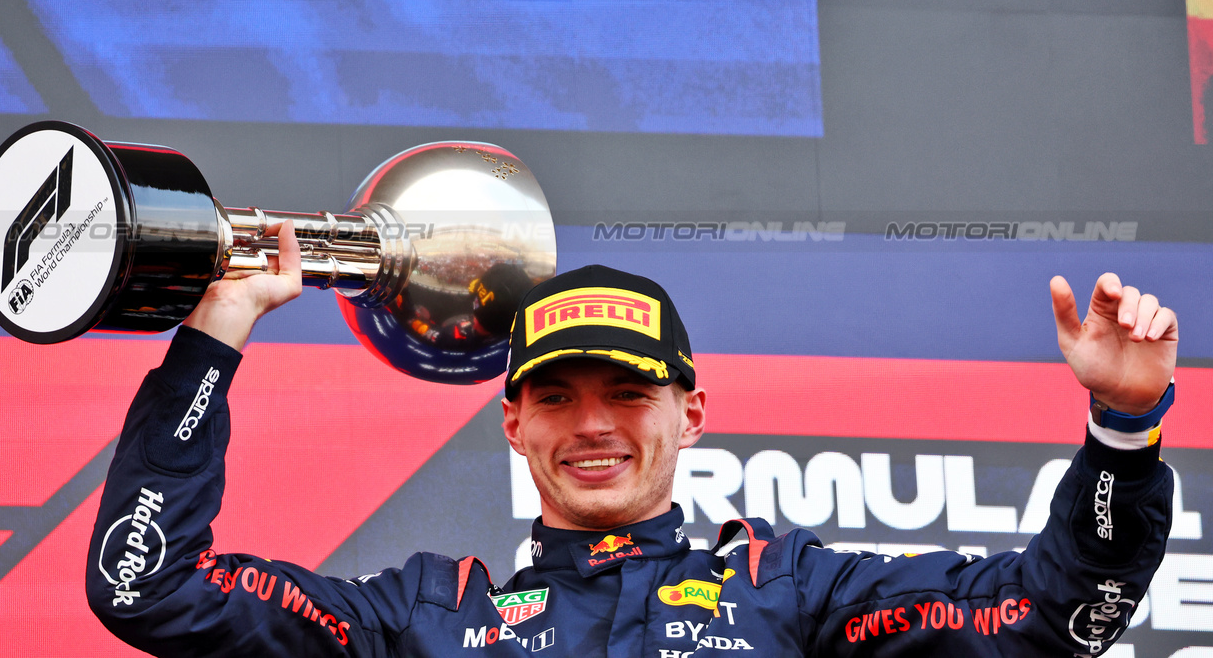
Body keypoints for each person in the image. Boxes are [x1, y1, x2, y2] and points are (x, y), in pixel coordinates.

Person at [87, 221, 1177, 656]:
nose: (593, 424)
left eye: (627, 391)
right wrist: (215, 330)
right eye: (556, 396)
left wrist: (1120, 431)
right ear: (511, 422)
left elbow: (1046, 618)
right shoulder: (421, 619)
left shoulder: (793, 591)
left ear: (690, 412)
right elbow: (147, 587)